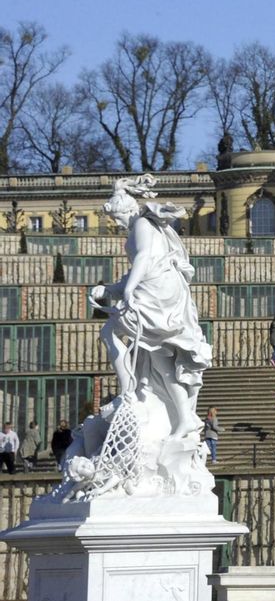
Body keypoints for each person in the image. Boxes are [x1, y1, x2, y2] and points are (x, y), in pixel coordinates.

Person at [89, 174, 210, 438]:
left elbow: (144, 258)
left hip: (159, 291)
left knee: (110, 330)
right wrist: (109, 289)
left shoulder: (142, 223)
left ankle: (128, 390)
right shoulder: (140, 226)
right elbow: (139, 269)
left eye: (118, 218)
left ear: (129, 209)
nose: (118, 224)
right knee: (158, 358)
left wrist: (129, 290)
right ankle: (185, 417)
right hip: (155, 287)